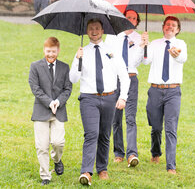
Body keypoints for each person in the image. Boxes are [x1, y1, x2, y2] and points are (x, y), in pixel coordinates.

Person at [69, 19, 130, 186]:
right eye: (90, 29)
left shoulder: (112, 51)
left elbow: (124, 75)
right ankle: (86, 172)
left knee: (104, 135)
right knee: (91, 134)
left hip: (110, 97)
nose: (94, 31)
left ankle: (102, 169)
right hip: (89, 98)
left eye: (97, 28)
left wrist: (123, 96)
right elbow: (73, 78)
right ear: (87, 31)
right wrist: (76, 59)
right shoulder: (83, 51)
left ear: (102, 30)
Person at [139, 16, 187, 175]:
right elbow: (146, 61)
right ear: (163, 27)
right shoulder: (155, 44)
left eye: (173, 25)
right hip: (155, 90)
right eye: (167, 25)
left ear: (178, 29)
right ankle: (155, 152)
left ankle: (171, 165)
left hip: (173, 91)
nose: (170, 27)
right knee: (156, 126)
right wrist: (144, 45)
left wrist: (176, 55)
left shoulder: (180, 44)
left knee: (171, 128)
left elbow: (182, 58)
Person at [28, 37, 72, 186]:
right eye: (48, 51)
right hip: (41, 110)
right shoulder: (35, 66)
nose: (51, 54)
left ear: (58, 51)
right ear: (44, 50)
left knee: (58, 142)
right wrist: (49, 102)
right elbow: (35, 88)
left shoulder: (65, 68)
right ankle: (45, 175)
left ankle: (57, 160)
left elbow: (67, 88)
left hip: (58, 111)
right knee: (42, 146)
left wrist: (58, 102)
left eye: (54, 51)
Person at [104, 10, 142, 167]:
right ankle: (118, 152)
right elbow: (107, 55)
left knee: (131, 117)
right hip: (116, 79)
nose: (131, 20)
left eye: (134, 18)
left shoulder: (139, 38)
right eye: (128, 17)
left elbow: (137, 62)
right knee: (116, 118)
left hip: (131, 78)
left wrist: (142, 47)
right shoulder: (112, 36)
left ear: (137, 21)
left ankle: (132, 153)